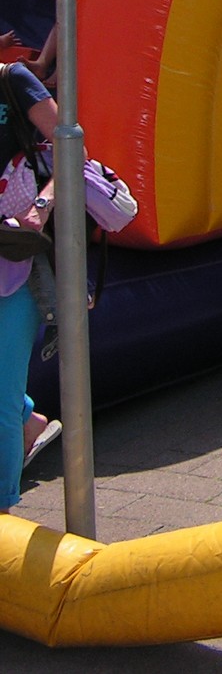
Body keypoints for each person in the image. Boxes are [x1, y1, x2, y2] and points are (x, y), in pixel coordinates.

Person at [0, 62, 60, 513]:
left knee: (0, 395)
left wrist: (43, 203)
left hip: (13, 258)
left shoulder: (13, 79)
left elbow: (70, 145)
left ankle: (2, 509)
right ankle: (28, 419)